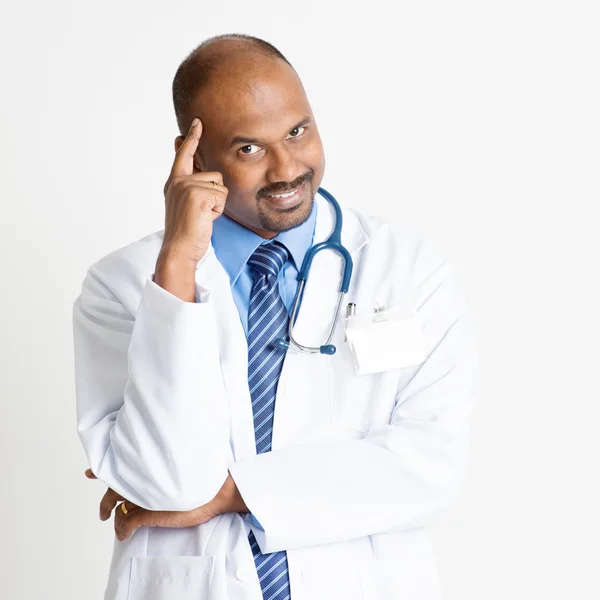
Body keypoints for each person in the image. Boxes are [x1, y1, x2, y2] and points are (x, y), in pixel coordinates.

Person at [72, 33, 478, 600]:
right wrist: (180, 266)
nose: (287, 168)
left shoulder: (407, 269)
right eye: (249, 149)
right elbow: (170, 482)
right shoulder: (123, 286)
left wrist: (234, 492)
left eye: (297, 131)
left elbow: (430, 467)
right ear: (194, 155)